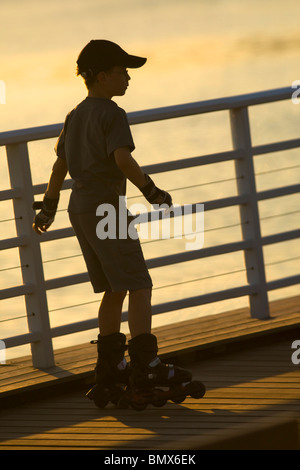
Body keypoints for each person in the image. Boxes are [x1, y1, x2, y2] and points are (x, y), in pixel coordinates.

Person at [32, 40, 204, 409]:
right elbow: (123, 158)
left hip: (79, 208)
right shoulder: (112, 113)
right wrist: (153, 191)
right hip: (107, 208)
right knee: (140, 283)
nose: (128, 78)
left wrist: (47, 208)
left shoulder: (75, 114)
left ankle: (111, 367)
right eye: (123, 72)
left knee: (114, 287)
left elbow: (59, 167)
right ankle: (147, 366)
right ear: (102, 76)